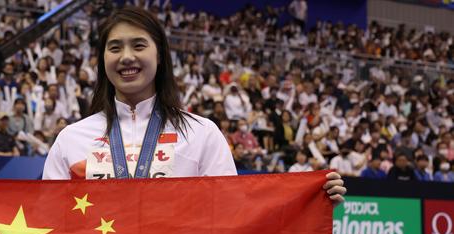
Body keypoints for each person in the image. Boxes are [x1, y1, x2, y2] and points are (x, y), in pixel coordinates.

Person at [41, 6, 345, 203]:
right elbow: (50, 222)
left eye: (139, 45)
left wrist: (310, 199)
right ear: (102, 59)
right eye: (115, 47)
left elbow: (234, 216)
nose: (127, 57)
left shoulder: (201, 134)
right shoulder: (72, 139)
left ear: (160, 56)